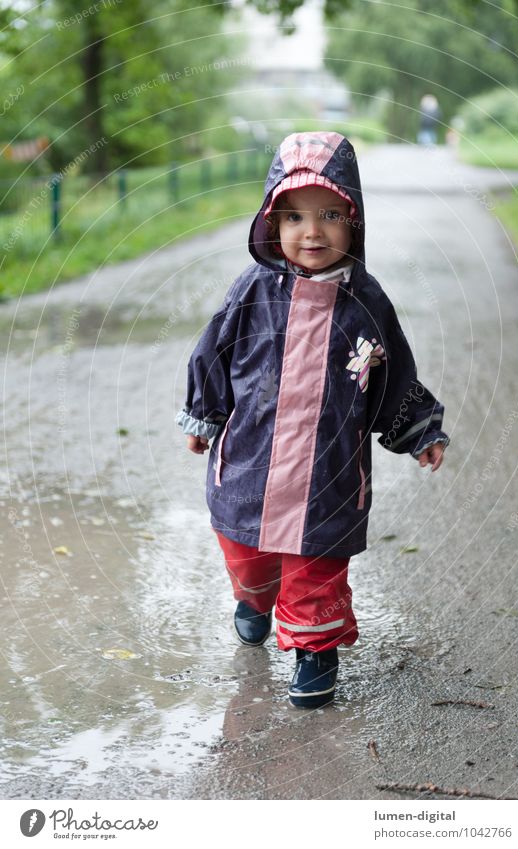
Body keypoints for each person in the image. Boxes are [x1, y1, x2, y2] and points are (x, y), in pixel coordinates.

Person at [176, 131, 449, 709]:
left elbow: (394, 371)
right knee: (247, 554)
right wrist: (203, 413)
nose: (312, 231)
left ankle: (314, 650)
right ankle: (253, 599)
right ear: (272, 223)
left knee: (316, 566)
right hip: (250, 462)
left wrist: (418, 427)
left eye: (330, 214)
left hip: (330, 472)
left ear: (354, 221)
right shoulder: (251, 292)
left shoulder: (366, 301)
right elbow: (214, 353)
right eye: (294, 216)